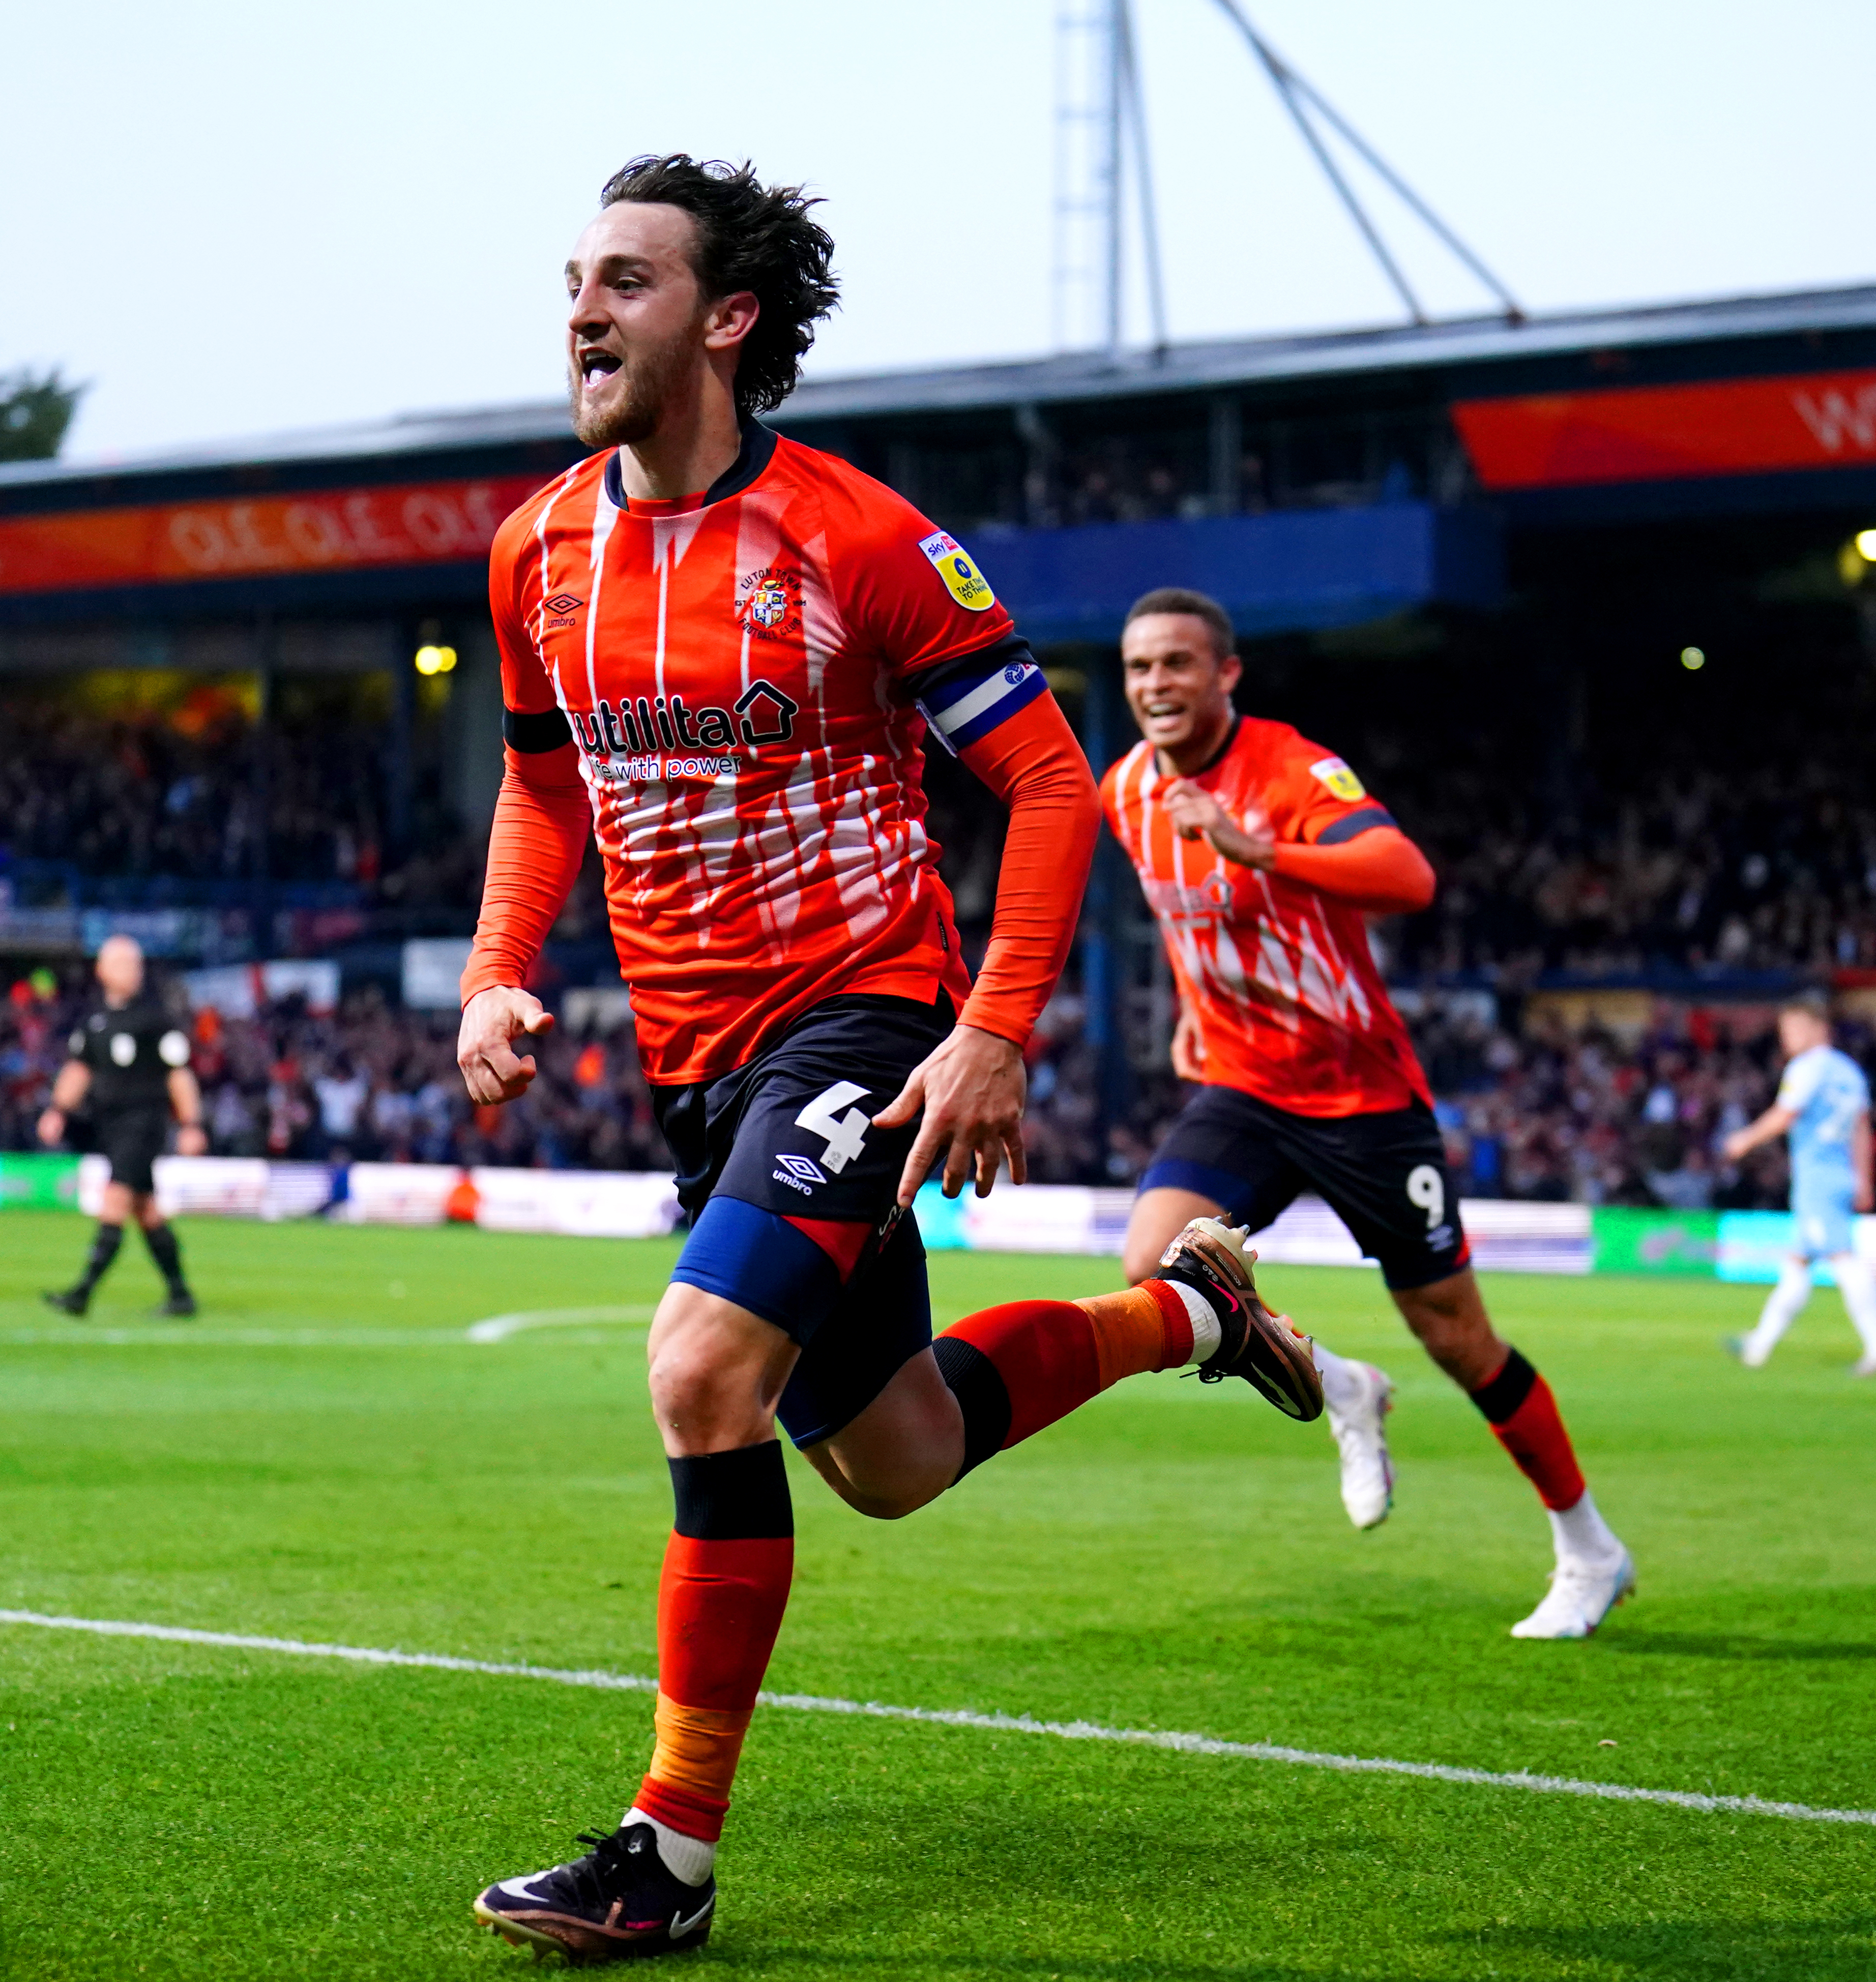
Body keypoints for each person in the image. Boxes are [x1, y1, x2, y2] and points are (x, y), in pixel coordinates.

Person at [456, 158, 1322, 1965]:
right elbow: (541, 788)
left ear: (726, 318)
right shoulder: (538, 547)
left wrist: (994, 1026)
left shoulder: (856, 538)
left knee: (698, 1372)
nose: (581, 310)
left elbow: (1049, 777)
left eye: (624, 279)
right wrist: (494, 973)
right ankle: (1189, 1312)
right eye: (572, 277)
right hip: (689, 1058)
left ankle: (665, 1856)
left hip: (856, 1013)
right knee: (893, 1454)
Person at [1101, 587, 1634, 1637]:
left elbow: (1407, 875)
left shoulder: (1289, 769)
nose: (1155, 685)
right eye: (1138, 668)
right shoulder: (1124, 791)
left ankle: (1589, 1548)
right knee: (1155, 1269)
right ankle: (1338, 1383)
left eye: (1176, 664)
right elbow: (1185, 918)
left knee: (1458, 1339)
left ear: (1226, 675)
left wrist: (1258, 849)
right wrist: (1191, 1011)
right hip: (1245, 1087)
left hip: (1360, 1094)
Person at [1718, 992, 1876, 1376]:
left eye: (1794, 1029)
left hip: (1818, 1175)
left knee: (1842, 1258)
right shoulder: (1850, 1072)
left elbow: (1786, 1115)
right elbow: (1861, 1130)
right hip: (1839, 1174)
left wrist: (1743, 1140)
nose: (1788, 1038)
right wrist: (1864, 1178)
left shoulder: (1806, 1068)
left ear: (1819, 1029)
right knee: (1796, 1264)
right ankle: (1759, 1345)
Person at [37, 935, 203, 1318]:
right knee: (146, 1211)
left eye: (136, 963)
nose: (133, 970)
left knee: (116, 1200)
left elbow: (179, 1075)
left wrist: (191, 1123)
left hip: (143, 1124)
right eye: (124, 963)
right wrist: (57, 1110)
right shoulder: (96, 1022)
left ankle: (82, 1293)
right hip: (110, 1126)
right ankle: (181, 1295)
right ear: (103, 970)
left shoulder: (155, 1020)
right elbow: (79, 1069)